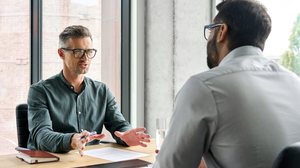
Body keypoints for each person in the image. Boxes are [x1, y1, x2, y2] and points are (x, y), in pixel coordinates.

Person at [153, 0, 300, 167]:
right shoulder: (294, 82)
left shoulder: (205, 87)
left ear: (222, 31)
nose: (208, 39)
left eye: (210, 31)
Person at [27, 25, 150, 154]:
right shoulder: (40, 91)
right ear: (61, 53)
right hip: (53, 163)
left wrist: (126, 135)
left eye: (89, 51)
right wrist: (72, 140)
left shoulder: (101, 90)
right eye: (78, 51)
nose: (85, 58)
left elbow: (119, 125)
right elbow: (41, 136)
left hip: (90, 161)